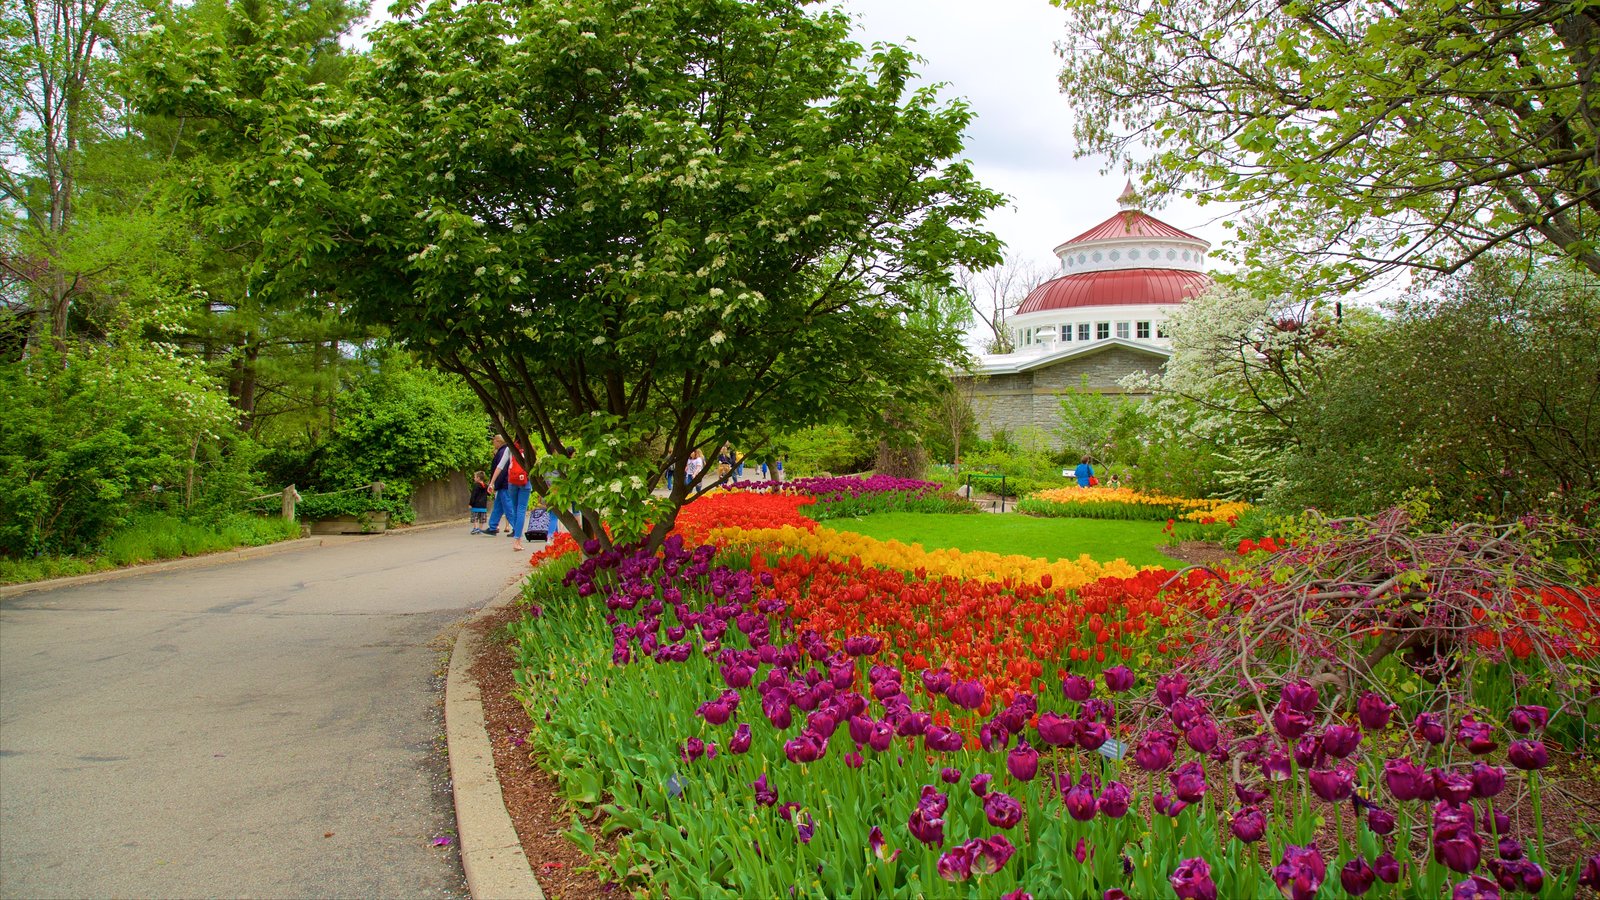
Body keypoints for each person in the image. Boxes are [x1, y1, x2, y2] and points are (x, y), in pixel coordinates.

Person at [492, 440, 535, 552]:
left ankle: (516, 538)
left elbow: (500, 466)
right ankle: (517, 540)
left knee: (515, 510)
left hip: (512, 482)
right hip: (525, 482)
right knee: (521, 510)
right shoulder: (530, 449)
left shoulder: (510, 448)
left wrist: (492, 482)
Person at [484, 435, 511, 535]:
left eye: (494, 441)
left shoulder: (502, 452)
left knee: (508, 507)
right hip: (503, 484)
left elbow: (501, 469)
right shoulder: (503, 451)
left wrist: (495, 484)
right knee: (498, 506)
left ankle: (516, 528)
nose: (493, 444)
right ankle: (493, 526)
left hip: (504, 484)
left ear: (498, 441)